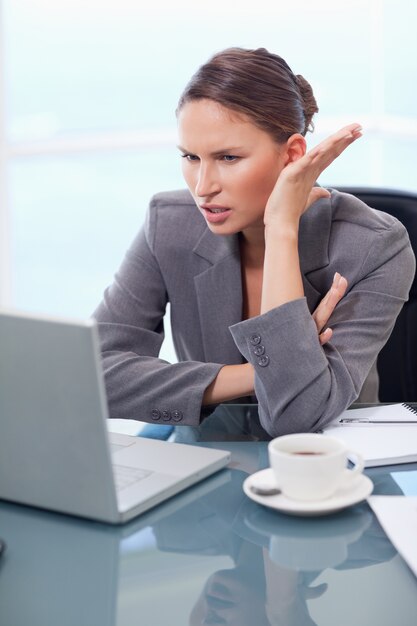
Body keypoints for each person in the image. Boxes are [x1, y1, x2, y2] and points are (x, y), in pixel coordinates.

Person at [93, 47, 415, 437]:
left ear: (292, 155)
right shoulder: (170, 222)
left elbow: (297, 416)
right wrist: (254, 373)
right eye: (191, 157)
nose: (202, 186)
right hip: (212, 446)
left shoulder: (375, 246)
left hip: (331, 458)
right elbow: (94, 374)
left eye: (228, 157)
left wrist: (281, 227)